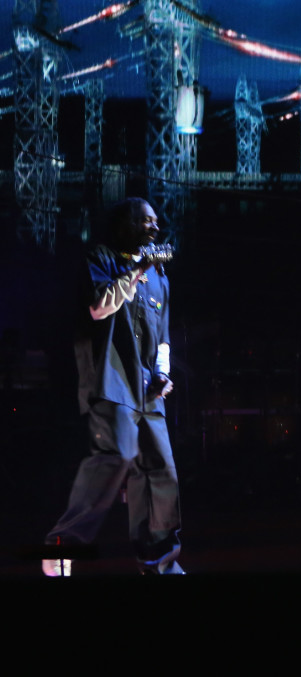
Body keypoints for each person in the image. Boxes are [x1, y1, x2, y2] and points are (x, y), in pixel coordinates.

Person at [42, 198, 184, 575]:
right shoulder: (102, 257)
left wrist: (163, 371)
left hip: (147, 391)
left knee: (160, 471)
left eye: (155, 222)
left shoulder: (161, 278)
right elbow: (99, 307)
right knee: (117, 456)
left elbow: (164, 335)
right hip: (111, 382)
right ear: (125, 224)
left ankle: (159, 561)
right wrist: (137, 269)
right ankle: (62, 546)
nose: (153, 228)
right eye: (144, 221)